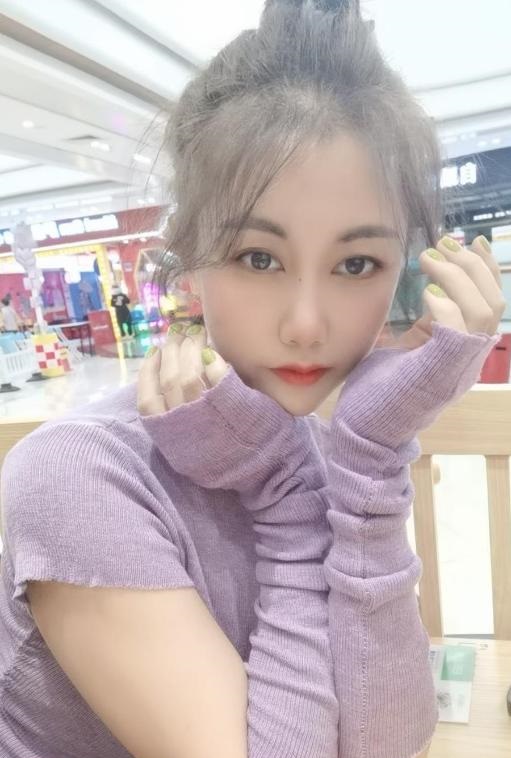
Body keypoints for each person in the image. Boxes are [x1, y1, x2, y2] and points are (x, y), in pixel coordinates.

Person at [0, 2, 504, 757]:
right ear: (189, 257)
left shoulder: (315, 442)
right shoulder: (80, 475)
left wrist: (369, 461)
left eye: (356, 263)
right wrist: (288, 503)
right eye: (258, 258)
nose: (306, 324)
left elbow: (385, 743)